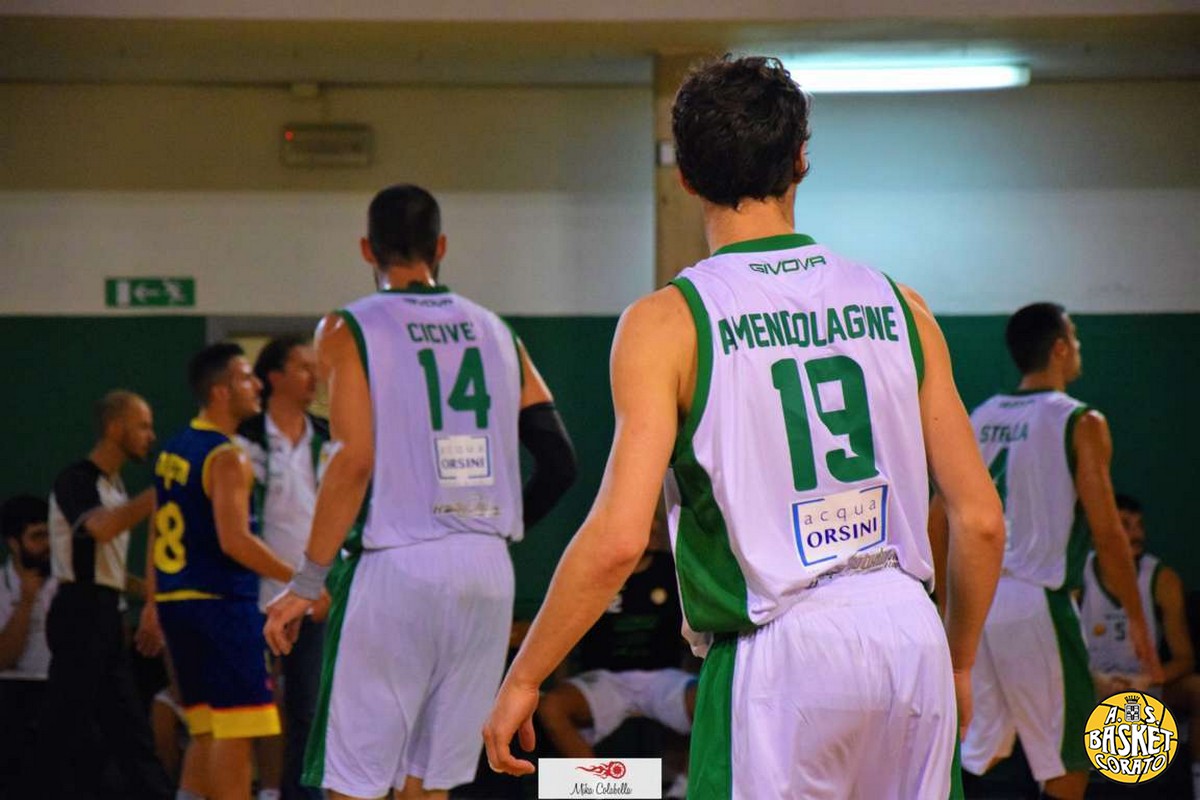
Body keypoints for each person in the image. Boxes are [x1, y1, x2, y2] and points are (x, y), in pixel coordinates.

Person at [483, 55, 1005, 800]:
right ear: (801, 160)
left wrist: (524, 676)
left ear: (687, 176)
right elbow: (980, 520)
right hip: (907, 630)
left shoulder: (666, 322)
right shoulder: (904, 306)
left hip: (781, 646)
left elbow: (620, 539)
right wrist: (958, 662)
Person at [264, 184, 577, 800]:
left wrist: (306, 582)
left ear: (367, 249)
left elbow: (353, 461)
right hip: (486, 574)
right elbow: (560, 461)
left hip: (398, 567)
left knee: (354, 783)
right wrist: (488, 533)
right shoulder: (496, 331)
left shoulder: (348, 326)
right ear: (441, 247)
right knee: (429, 784)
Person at [954, 303, 1161, 799]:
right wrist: (1137, 618)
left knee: (982, 752)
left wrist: (948, 608)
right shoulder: (1080, 421)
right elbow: (1108, 531)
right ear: (1060, 348)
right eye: (1077, 338)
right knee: (1070, 759)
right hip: (1038, 600)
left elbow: (944, 514)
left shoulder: (980, 416)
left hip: (982, 599)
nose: (1080, 348)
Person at [152, 343, 317, 800]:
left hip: (176, 601)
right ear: (221, 392)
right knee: (237, 729)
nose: (257, 385)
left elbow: (158, 531)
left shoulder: (174, 449)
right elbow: (235, 541)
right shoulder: (227, 455)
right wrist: (302, 581)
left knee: (206, 728)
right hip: (219, 604)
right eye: (247, 378)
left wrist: (151, 600)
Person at [36, 390, 173, 800]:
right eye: (143, 426)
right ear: (115, 428)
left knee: (126, 725)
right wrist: (159, 494)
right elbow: (101, 529)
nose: (151, 436)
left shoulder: (116, 487)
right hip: (79, 613)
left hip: (107, 613)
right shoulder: (77, 480)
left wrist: (149, 594)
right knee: (68, 722)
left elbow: (107, 569)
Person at [237, 335, 330, 800]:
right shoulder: (244, 438)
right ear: (273, 376)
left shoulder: (329, 437)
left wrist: (324, 583)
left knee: (309, 707)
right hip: (251, 594)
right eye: (303, 367)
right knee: (252, 707)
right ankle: (266, 790)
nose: (315, 377)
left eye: (317, 367)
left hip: (313, 595)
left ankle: (303, 794)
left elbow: (346, 516)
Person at [1079, 493, 1200, 796]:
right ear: (1100, 531)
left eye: (1139, 526)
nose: (1137, 534)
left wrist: (1148, 679)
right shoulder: (1076, 576)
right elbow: (1054, 652)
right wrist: (1092, 681)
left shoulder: (1162, 579)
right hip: (1090, 684)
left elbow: (1185, 658)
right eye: (1125, 525)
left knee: (1197, 689)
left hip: (1146, 685)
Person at [0, 495, 55, 796]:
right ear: (13, 543)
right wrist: (26, 602)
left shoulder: (69, 582)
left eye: (50, 534)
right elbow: (3, 659)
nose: (47, 545)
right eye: (37, 537)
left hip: (64, 693)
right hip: (13, 701)